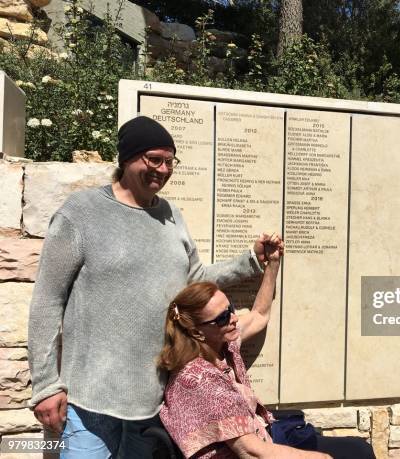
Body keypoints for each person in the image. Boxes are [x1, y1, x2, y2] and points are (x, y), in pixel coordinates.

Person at [28, 116, 281, 457]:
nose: (162, 170)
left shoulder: (172, 216)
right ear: (126, 159)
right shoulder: (81, 213)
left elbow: (194, 279)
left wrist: (251, 259)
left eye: (169, 161)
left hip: (152, 404)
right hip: (86, 405)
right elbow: (47, 301)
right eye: (153, 159)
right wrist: (45, 386)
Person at [159, 235, 375, 459]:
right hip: (255, 450)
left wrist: (272, 264)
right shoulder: (200, 381)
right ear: (196, 332)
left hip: (268, 432)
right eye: (222, 317)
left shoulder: (221, 342)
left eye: (230, 308)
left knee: (359, 450)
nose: (233, 318)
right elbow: (253, 453)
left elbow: (259, 315)